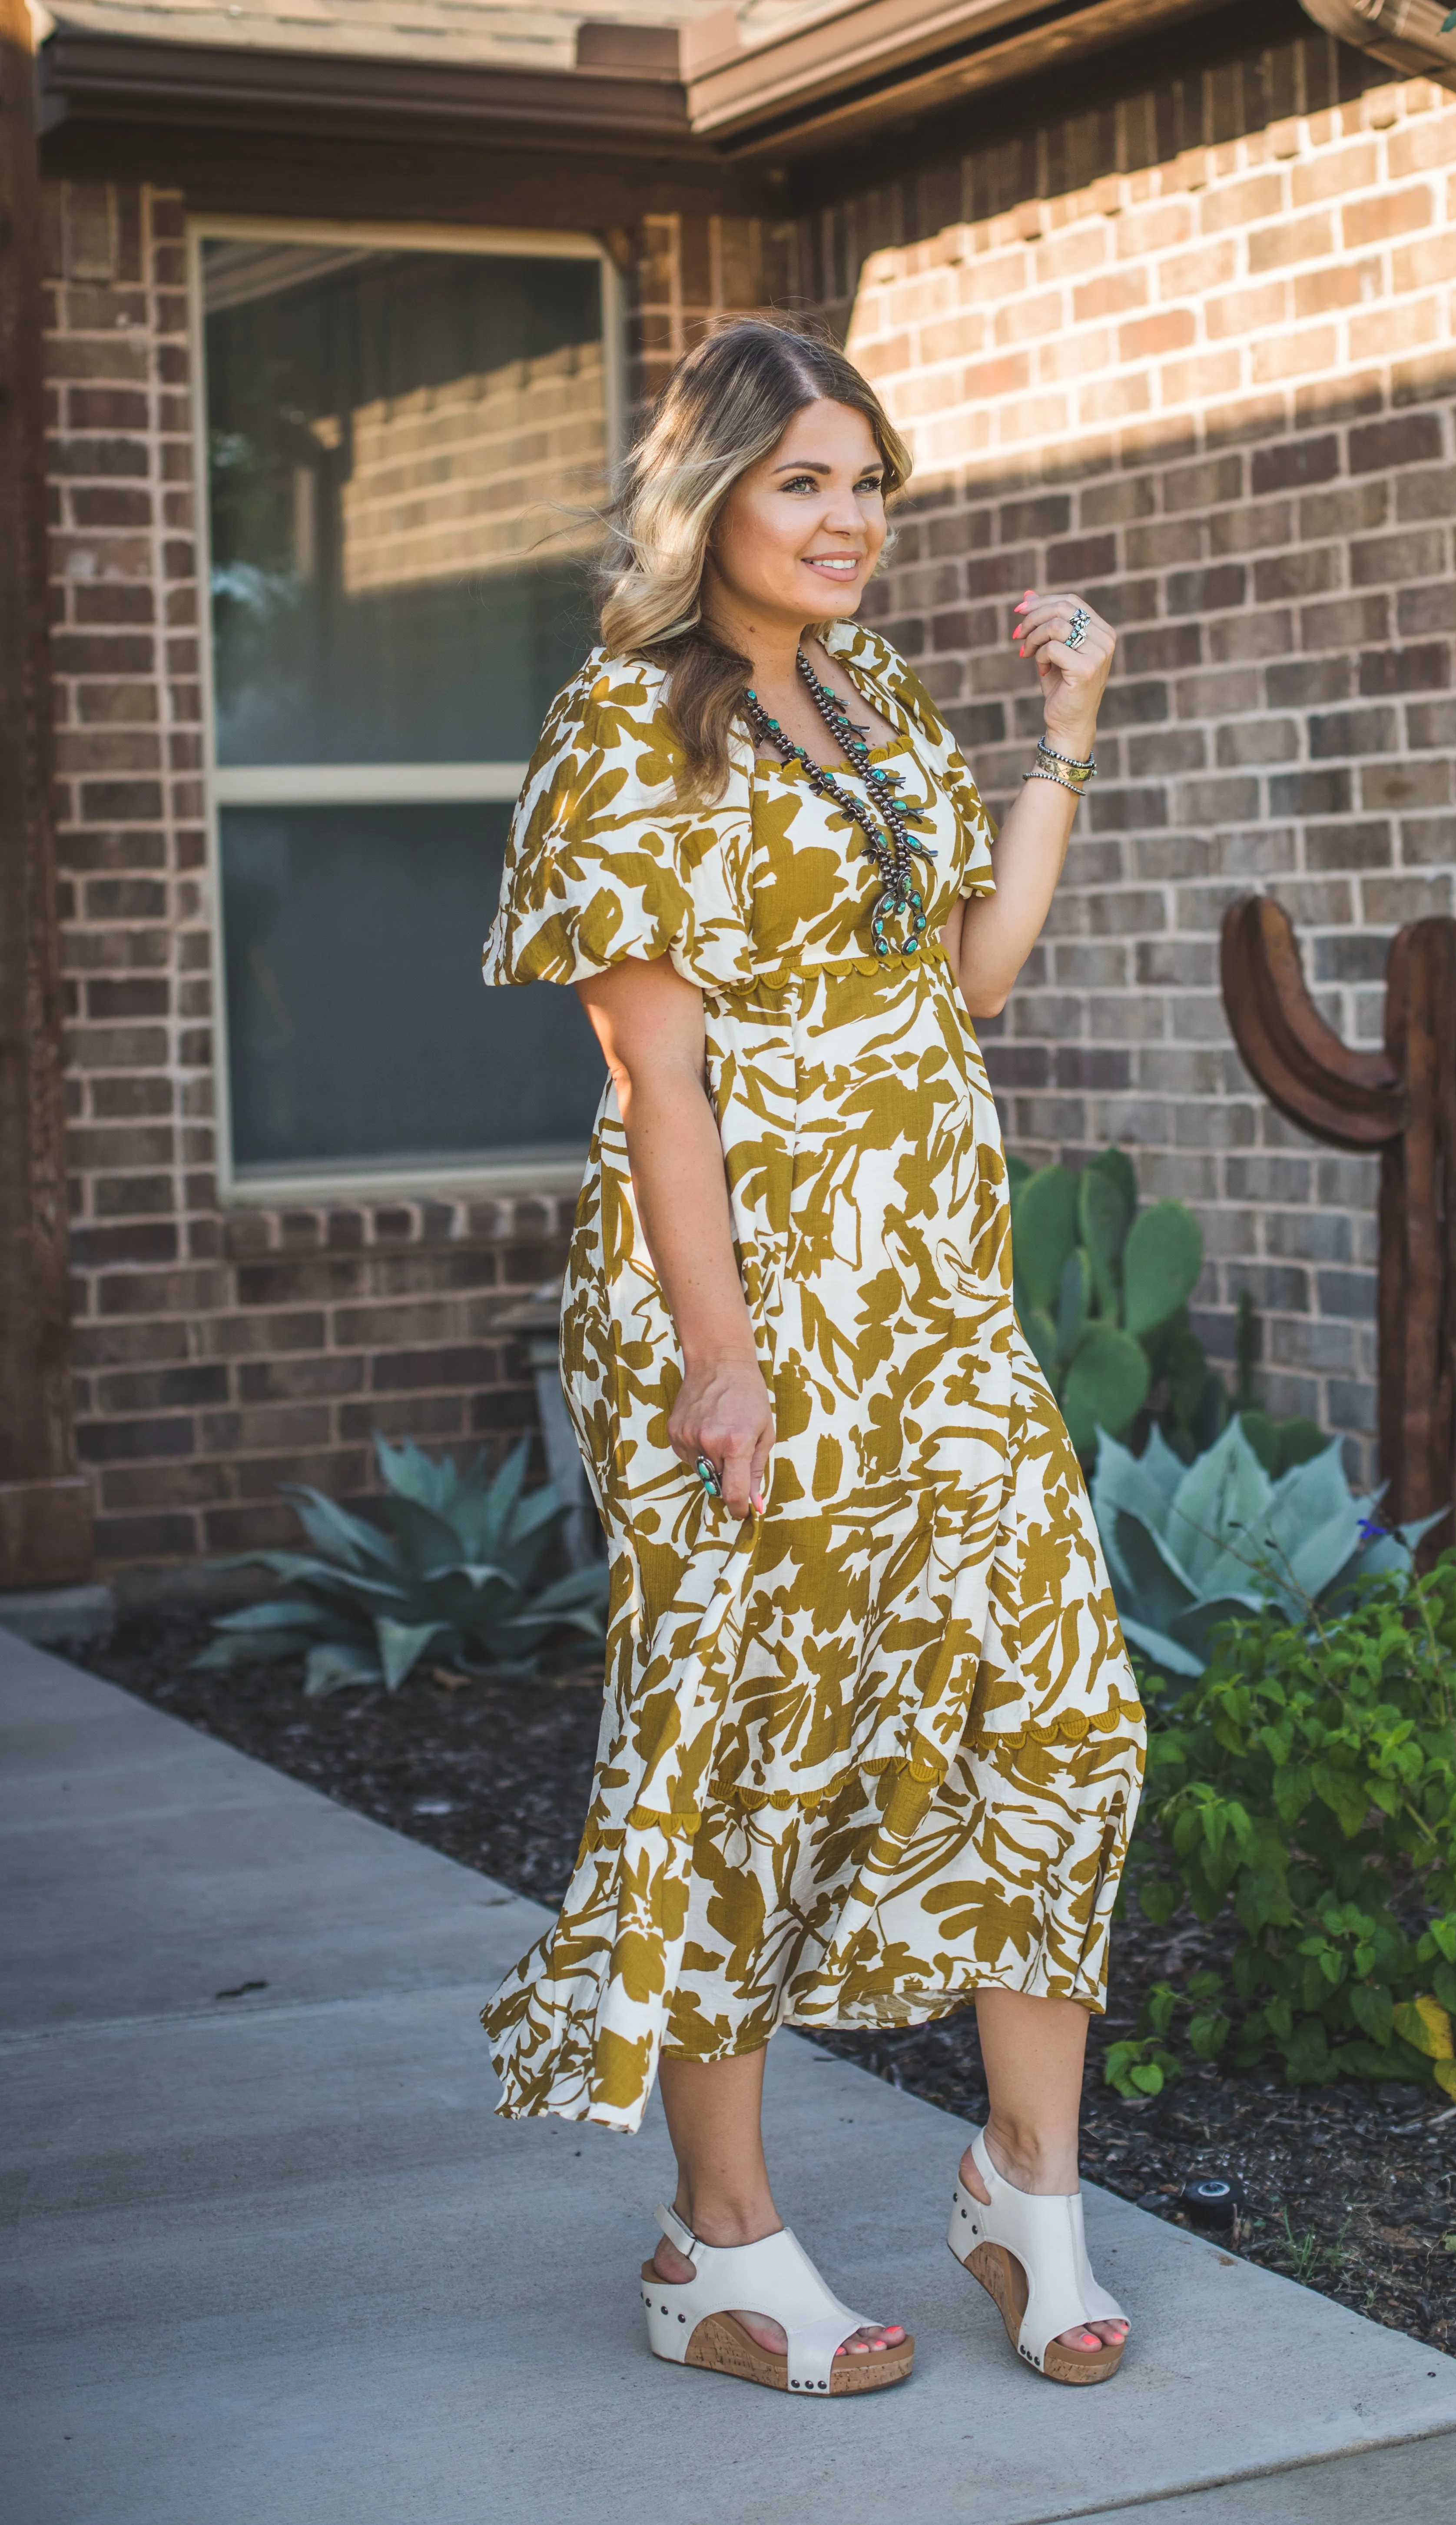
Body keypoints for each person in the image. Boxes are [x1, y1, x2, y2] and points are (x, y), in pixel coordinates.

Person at [482, 316, 1145, 2397]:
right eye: (805, 482)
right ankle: (721, 2243)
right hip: (744, 1300)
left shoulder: (877, 704)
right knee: (746, 1733)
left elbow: (977, 976)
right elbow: (653, 1078)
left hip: (937, 1298)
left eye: (870, 483)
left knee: (1056, 1701)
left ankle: (1023, 2186)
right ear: (713, 500)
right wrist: (717, 1364)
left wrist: (1065, 725)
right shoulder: (626, 727)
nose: (849, 519)